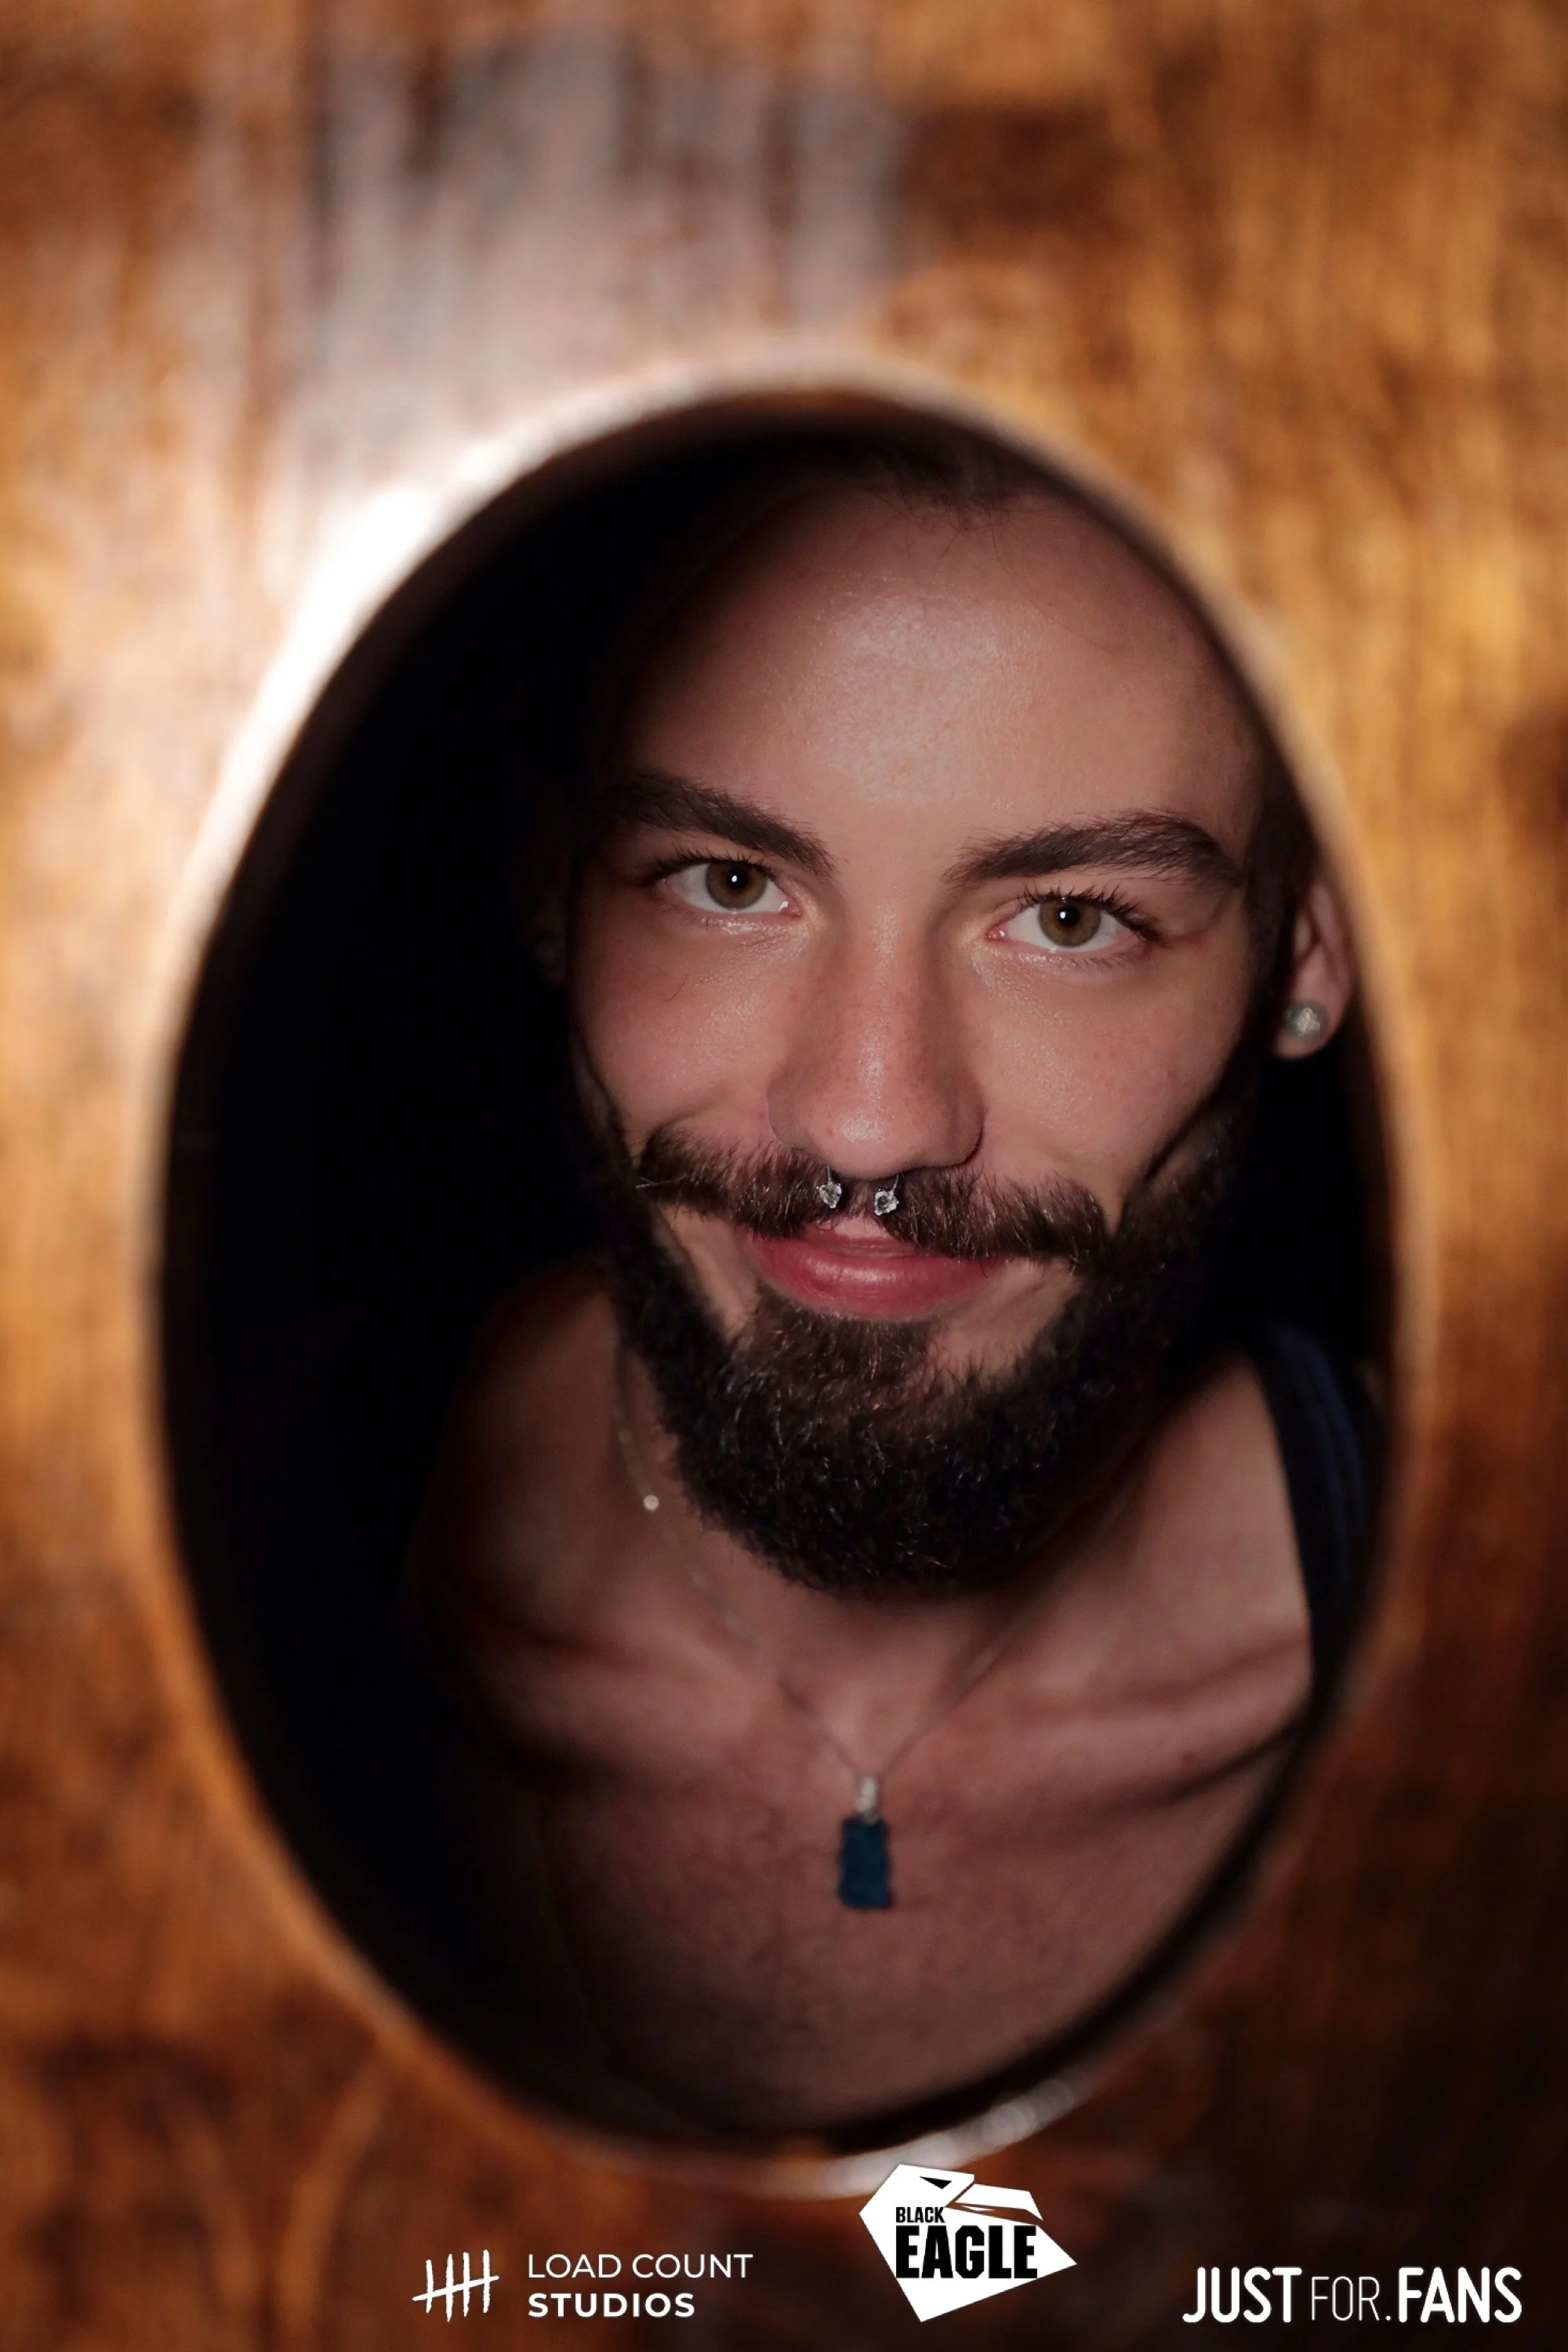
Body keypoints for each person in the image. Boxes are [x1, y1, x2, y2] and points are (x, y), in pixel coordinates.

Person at [411, 438, 1364, 2139]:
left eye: (1070, 917)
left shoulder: (1493, 1676)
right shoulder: (232, 1563)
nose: (867, 1116)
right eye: (728, 884)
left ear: (1302, 954)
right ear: (555, 885)